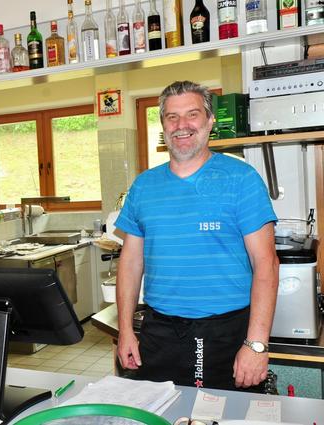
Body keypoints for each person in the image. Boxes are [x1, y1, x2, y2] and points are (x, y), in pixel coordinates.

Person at [115, 80, 279, 391]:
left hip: (225, 333)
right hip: (158, 332)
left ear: (209, 121)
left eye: (192, 114)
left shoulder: (241, 179)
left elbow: (267, 265)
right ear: (162, 124)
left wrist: (256, 345)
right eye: (171, 117)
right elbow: (130, 262)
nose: (182, 125)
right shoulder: (143, 186)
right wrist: (125, 330)